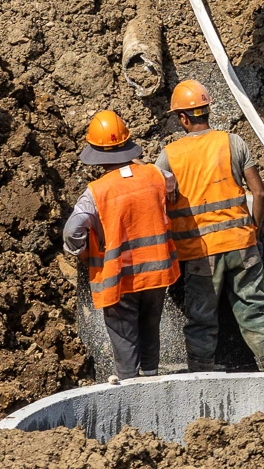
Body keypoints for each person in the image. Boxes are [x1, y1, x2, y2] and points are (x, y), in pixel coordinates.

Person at [158, 80, 264, 371]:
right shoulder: (233, 142)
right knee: (256, 311)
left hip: (200, 253)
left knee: (201, 319)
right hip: (241, 244)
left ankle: (201, 377)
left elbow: (159, 200)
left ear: (183, 118)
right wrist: (254, 229)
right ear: (207, 111)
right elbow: (259, 193)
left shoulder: (170, 155)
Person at [62, 110, 180, 381]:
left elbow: (72, 231)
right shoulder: (156, 175)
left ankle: (129, 387)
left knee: (124, 335)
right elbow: (168, 182)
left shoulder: (96, 192)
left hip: (120, 276)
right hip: (157, 271)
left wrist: (81, 253)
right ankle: (151, 379)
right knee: (151, 326)